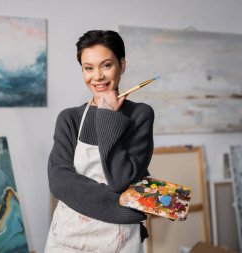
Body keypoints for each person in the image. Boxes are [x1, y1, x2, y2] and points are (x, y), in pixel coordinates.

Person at [45, 30, 154, 253]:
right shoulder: (70, 118)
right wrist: (121, 209)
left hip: (119, 241)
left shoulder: (140, 115)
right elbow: (59, 181)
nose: (97, 76)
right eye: (88, 68)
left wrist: (106, 115)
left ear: (122, 65)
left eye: (106, 65)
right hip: (68, 238)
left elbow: (121, 179)